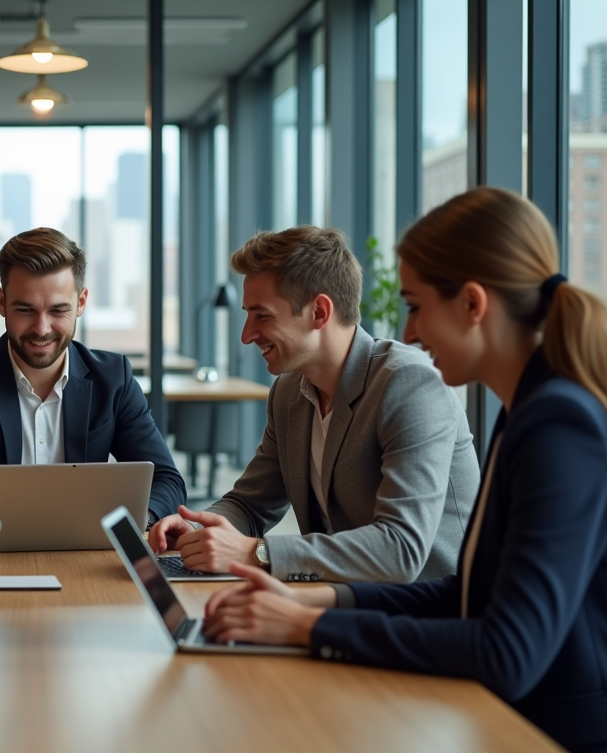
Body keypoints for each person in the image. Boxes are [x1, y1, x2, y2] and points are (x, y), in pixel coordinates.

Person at [202, 188, 607, 753]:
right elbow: (467, 597)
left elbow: (506, 651)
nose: (408, 332)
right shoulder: (530, 411)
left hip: (567, 744)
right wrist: (314, 602)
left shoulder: (559, 424)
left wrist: (310, 623)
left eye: (415, 305)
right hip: (511, 712)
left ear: (473, 304)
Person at [150, 225, 478, 582]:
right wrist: (198, 529)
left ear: (319, 312)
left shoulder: (409, 384)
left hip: (430, 605)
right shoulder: (289, 392)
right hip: (341, 594)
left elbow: (401, 549)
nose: (246, 335)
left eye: (262, 315)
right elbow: (249, 503)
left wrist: (256, 552)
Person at [0, 227, 186, 528]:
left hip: (88, 548)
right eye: (25, 310)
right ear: (1, 302)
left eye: (58, 311)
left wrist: (139, 520)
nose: (41, 328)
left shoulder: (114, 379)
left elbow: (167, 480)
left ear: (81, 302)